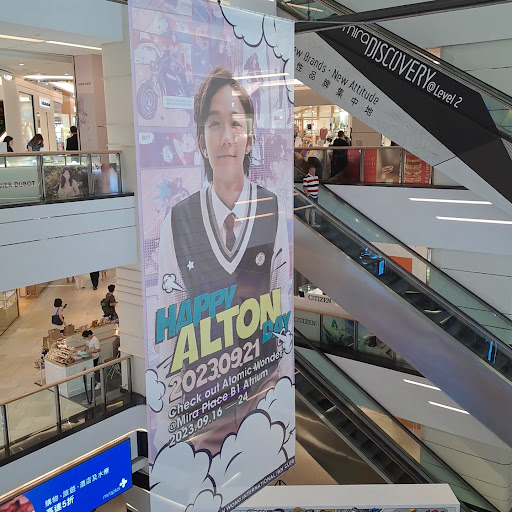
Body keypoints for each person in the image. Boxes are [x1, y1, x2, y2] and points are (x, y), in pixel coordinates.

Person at [158, 67, 290, 451]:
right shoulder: (177, 221)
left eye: (236, 124)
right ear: (201, 141)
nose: (226, 137)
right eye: (215, 124)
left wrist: (277, 399)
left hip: (261, 401)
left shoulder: (272, 209)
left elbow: (279, 311)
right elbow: (170, 336)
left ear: (250, 140)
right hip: (201, 414)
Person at [303, 157, 321, 227]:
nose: (313, 172)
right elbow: (304, 187)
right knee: (308, 209)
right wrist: (307, 195)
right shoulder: (306, 178)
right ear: (309, 171)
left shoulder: (316, 177)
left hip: (315, 196)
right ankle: (307, 222)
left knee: (313, 209)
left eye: (314, 171)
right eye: (312, 171)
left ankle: (313, 222)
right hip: (310, 195)